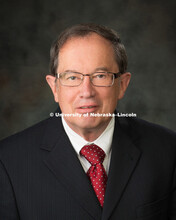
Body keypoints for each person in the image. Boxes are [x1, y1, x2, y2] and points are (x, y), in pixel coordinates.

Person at [0, 23, 176, 220]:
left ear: (122, 84)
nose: (86, 92)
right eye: (72, 77)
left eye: (100, 76)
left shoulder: (168, 150)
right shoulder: (8, 162)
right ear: (55, 87)